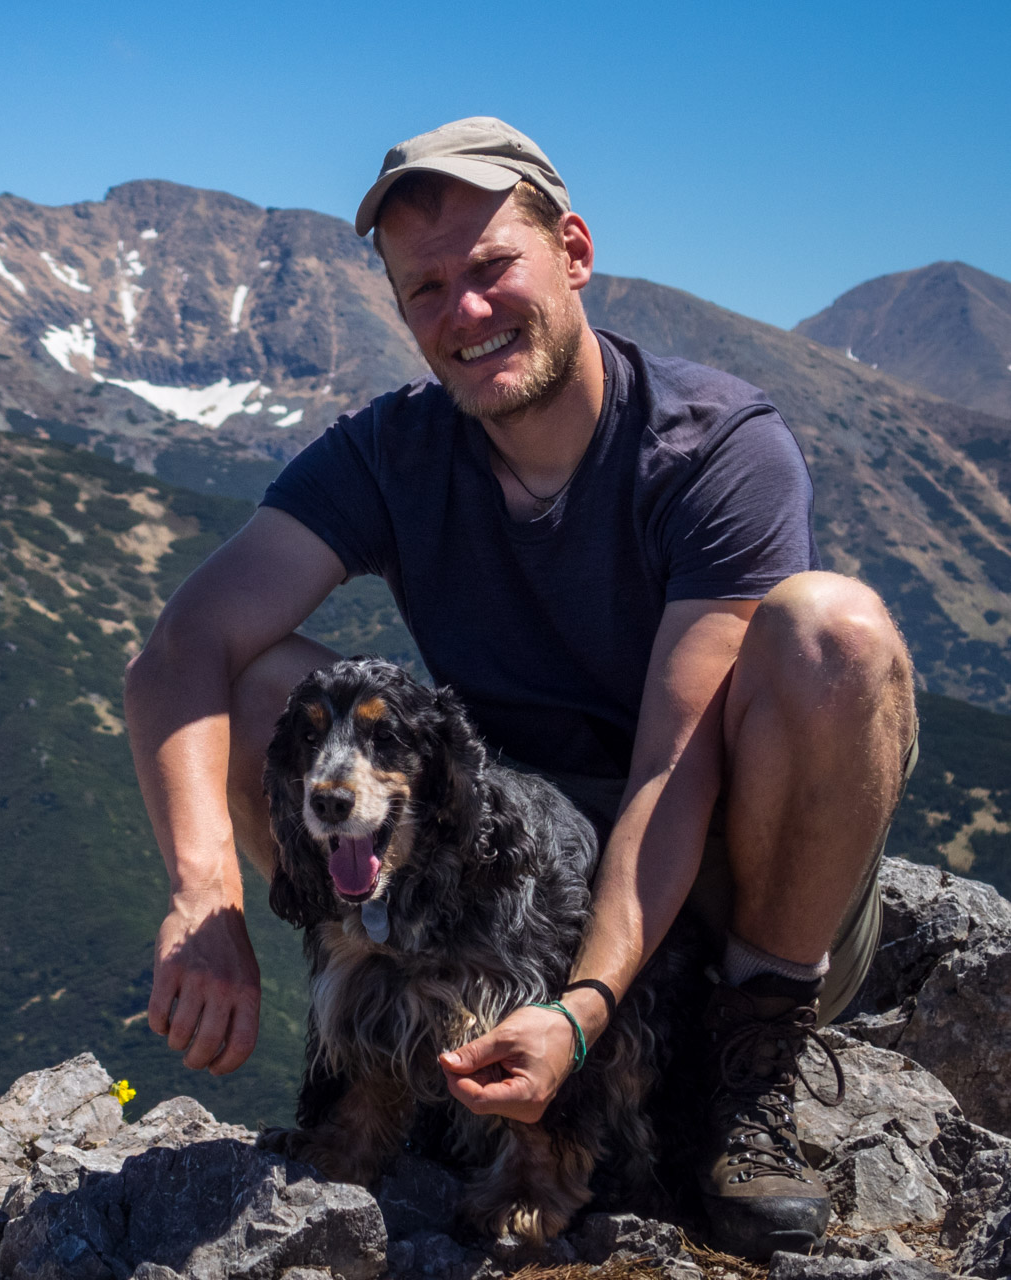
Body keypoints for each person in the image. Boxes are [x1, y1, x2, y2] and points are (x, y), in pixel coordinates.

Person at [121, 117, 918, 1259]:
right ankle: (390, 1036)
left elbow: (670, 772)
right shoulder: (388, 451)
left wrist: (582, 1011)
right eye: (427, 288)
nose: (465, 311)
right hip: (510, 876)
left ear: (574, 251)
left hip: (723, 863)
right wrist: (204, 900)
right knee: (261, 694)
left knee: (831, 630)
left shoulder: (712, 449)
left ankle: (748, 1063)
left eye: (492, 267)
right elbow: (178, 652)